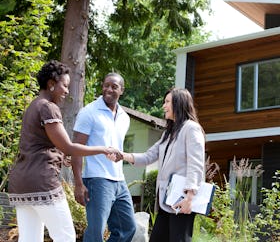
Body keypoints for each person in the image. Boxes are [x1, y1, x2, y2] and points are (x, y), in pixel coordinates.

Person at [8, 60, 122, 242]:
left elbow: (39, 145)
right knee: (66, 237)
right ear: (52, 84)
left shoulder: (34, 105)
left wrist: (61, 156)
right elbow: (68, 146)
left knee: (30, 239)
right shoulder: (48, 107)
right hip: (41, 181)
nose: (67, 91)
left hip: (21, 183)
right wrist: (103, 149)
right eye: (65, 86)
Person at [109, 87, 205, 242]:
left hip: (182, 199)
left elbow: (196, 163)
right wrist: (123, 156)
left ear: (178, 103)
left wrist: (189, 197)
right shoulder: (169, 133)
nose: (163, 106)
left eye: (167, 102)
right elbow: (148, 156)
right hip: (167, 200)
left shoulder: (191, 128)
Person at [71, 72, 136, 242]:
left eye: (114, 86)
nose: (108, 89)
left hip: (119, 180)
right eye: (106, 85)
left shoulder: (125, 117)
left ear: (121, 90)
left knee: (127, 228)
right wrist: (78, 184)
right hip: (97, 179)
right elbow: (76, 149)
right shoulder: (89, 112)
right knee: (96, 233)